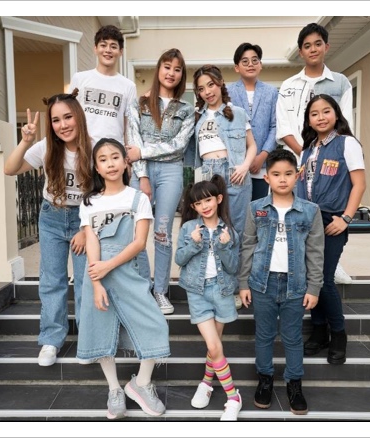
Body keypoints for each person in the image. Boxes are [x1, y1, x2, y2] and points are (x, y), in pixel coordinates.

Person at [76, 138, 170, 420]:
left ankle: (140, 383)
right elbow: (91, 241)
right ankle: (114, 389)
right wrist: (96, 282)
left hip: (128, 270)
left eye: (115, 157)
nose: (110, 163)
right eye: (103, 159)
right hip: (97, 275)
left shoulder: (138, 199)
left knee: (155, 323)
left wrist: (108, 266)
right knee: (101, 329)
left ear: (125, 161)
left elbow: (139, 243)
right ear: (96, 167)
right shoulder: (89, 202)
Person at [4, 90, 92, 367]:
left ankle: (88, 340)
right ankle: (52, 340)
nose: (63, 125)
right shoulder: (45, 147)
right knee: (52, 280)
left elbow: (102, 194)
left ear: (79, 117)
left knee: (85, 281)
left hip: (84, 219)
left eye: (68, 117)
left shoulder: (94, 148)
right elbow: (10, 169)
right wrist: (25, 141)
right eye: (56, 120)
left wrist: (86, 229)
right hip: (52, 217)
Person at [238, 148, 324, 415]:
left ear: (297, 176)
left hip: (295, 285)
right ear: (267, 178)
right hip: (261, 284)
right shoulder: (256, 209)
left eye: (288, 173)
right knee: (264, 335)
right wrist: (243, 283)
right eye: (276, 174)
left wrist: (314, 287)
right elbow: (248, 246)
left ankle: (294, 384)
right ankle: (265, 379)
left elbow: (315, 252)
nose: (282, 179)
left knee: (292, 337)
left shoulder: (310, 211)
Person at [276, 22, 354, 285]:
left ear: (326, 47)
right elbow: (283, 127)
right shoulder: (288, 85)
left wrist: (320, 155)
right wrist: (307, 154)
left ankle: (332, 263)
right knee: (296, 214)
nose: (313, 49)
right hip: (294, 159)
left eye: (317, 44)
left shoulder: (340, 83)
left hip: (330, 158)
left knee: (327, 212)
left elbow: (345, 123)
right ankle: (294, 266)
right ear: (301, 51)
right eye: (307, 46)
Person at [296, 94, 366, 365]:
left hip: (332, 220)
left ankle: (338, 334)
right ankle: (319, 331)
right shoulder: (307, 149)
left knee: (324, 278)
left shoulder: (347, 143)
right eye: (314, 114)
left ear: (336, 114)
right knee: (311, 278)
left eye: (326, 111)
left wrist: (346, 218)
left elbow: (359, 184)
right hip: (307, 220)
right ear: (308, 120)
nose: (321, 117)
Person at [125, 48, 195, 315]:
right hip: (141, 173)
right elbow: (133, 142)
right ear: (158, 69)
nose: (171, 73)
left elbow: (178, 146)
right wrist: (142, 175)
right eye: (167, 67)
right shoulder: (140, 104)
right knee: (138, 232)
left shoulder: (186, 110)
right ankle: (144, 287)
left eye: (177, 69)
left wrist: (143, 152)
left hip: (170, 173)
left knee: (162, 233)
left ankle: (161, 291)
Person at [188, 64, 257, 311]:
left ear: (220, 84)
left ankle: (238, 287)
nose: (207, 91)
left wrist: (245, 166)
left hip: (235, 173)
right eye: (201, 88)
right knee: (211, 230)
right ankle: (215, 285)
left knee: (236, 231)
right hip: (207, 174)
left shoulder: (237, 113)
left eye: (211, 85)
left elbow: (252, 145)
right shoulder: (196, 118)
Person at [175, 175, 242, 421]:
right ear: (193, 207)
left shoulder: (230, 232)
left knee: (215, 346)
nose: (204, 206)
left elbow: (233, 267)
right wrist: (194, 244)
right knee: (214, 346)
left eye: (208, 200)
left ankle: (206, 382)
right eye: (198, 203)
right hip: (198, 292)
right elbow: (179, 259)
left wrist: (224, 246)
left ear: (218, 199)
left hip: (222, 291)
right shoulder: (188, 229)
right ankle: (233, 397)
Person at [69, 24, 137, 145]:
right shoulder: (79, 79)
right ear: (95, 48)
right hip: (84, 150)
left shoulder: (129, 86)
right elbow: (69, 115)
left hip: (114, 152)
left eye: (113, 46)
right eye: (103, 45)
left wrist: (129, 152)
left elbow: (129, 128)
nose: (108, 50)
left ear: (120, 51)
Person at [227, 42, 279, 201]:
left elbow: (275, 126)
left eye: (255, 60)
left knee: (259, 209)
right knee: (237, 210)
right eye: (245, 61)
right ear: (237, 67)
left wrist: (262, 155)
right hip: (235, 166)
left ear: (260, 65)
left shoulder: (272, 92)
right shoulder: (227, 92)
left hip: (262, 166)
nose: (250, 64)